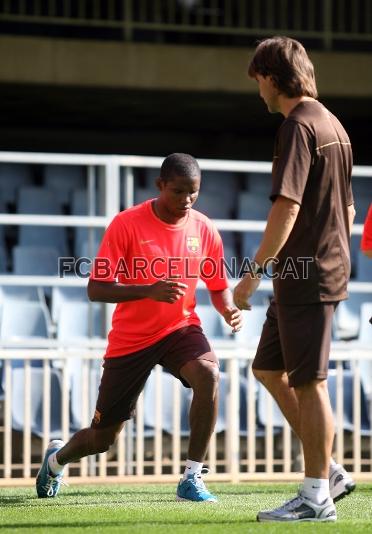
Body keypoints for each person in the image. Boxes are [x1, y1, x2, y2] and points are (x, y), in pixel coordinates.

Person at [36, 152, 242, 502]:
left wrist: (228, 309)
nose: (187, 200)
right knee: (102, 439)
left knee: (208, 373)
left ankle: (192, 477)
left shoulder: (204, 227)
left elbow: (217, 284)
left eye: (194, 193)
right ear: (160, 185)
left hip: (180, 328)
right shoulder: (126, 223)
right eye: (178, 192)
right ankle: (57, 460)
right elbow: (96, 288)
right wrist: (149, 289)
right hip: (131, 341)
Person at [233, 36, 356, 523]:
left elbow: (287, 207)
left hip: (306, 277)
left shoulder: (298, 127)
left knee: (309, 383)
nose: (257, 90)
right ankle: (328, 471)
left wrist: (251, 276)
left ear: (271, 76)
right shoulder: (334, 125)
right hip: (309, 273)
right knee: (268, 369)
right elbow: (346, 208)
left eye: (258, 80)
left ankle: (315, 498)